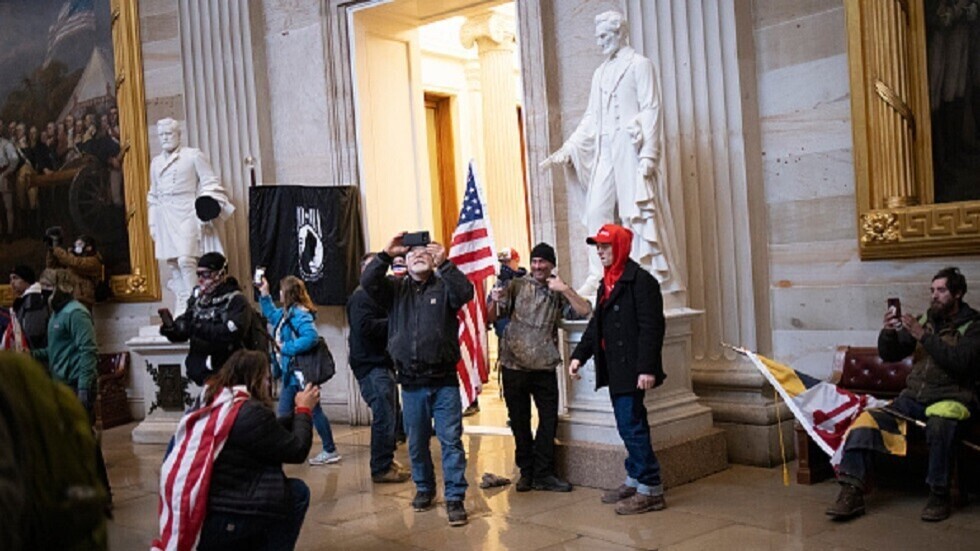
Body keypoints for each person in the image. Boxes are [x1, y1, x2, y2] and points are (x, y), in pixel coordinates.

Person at [545, 10, 682, 302]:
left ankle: (639, 274)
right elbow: (591, 117)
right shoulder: (600, 73)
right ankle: (599, 275)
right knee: (596, 210)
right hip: (605, 149)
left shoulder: (640, 65)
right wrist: (568, 147)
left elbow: (651, 109)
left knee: (635, 212)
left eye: (605, 36)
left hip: (630, 148)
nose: (600, 43)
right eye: (597, 37)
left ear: (620, 33)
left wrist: (649, 154)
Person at [827, 267, 980, 523]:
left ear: (958, 294)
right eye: (932, 290)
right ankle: (851, 491)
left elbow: (961, 362)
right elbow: (891, 353)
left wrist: (925, 338)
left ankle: (938, 494)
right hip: (913, 399)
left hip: (952, 399)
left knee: (940, 426)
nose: (934, 296)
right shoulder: (925, 320)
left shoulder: (974, 326)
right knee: (868, 420)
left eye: (941, 290)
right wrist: (888, 332)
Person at [361, 231, 475, 526]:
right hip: (410, 383)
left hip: (444, 382)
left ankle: (454, 498)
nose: (418, 256)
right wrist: (385, 254)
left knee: (450, 441)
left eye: (425, 252)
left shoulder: (444, 286)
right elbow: (368, 282)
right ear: (405, 263)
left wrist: (446, 264)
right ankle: (424, 489)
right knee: (416, 442)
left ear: (433, 259)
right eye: (412, 254)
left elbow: (465, 293)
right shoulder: (395, 290)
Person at [154, 350, 317, 551]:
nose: (269, 384)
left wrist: (296, 414)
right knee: (297, 493)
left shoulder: (214, 403)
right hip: (221, 517)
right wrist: (304, 411)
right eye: (267, 378)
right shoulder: (250, 412)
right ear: (254, 379)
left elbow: (265, 432)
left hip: (199, 509)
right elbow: (298, 450)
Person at [568, 224, 667, 515]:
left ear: (621, 246)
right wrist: (579, 356)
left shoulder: (642, 281)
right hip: (615, 369)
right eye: (597, 247)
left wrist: (647, 368)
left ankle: (651, 489)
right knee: (629, 426)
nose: (600, 252)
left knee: (631, 427)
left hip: (634, 370)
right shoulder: (607, 282)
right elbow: (596, 326)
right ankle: (635, 479)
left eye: (606, 246)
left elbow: (652, 329)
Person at [489, 242, 592, 493]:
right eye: (534, 261)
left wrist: (565, 289)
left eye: (542, 262)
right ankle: (526, 472)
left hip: (544, 367)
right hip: (513, 366)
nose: (537, 266)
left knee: (548, 421)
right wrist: (493, 300)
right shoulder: (515, 285)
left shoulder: (557, 290)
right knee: (520, 422)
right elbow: (492, 316)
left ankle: (544, 473)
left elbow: (585, 311)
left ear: (551, 264)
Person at [30, 269, 112, 509]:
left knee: (84, 440)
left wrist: (85, 387)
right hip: (60, 385)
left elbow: (88, 350)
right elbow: (57, 350)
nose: (44, 292)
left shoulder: (75, 312)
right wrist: (31, 355)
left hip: (76, 385)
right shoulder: (56, 314)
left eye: (47, 287)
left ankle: (102, 493)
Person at [147, 117, 234, 315]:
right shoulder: (156, 163)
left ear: (178, 134)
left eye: (169, 134)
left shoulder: (193, 155)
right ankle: (183, 301)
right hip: (164, 213)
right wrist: (152, 223)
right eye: (161, 135)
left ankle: (196, 302)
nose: (165, 138)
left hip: (186, 211)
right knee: (173, 262)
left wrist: (207, 203)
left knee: (187, 259)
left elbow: (209, 181)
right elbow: (153, 194)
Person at [259, 274, 341, 466]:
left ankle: (329, 449)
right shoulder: (287, 313)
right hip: (291, 372)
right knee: (285, 411)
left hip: (300, 371)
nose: (279, 293)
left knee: (313, 410)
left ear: (288, 293)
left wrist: (286, 347)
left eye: (281, 290)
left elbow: (310, 337)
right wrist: (264, 294)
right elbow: (271, 314)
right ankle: (285, 447)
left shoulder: (299, 314)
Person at [347, 253, 409, 483]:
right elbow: (365, 327)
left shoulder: (381, 295)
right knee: (384, 414)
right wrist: (397, 321)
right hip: (370, 365)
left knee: (390, 413)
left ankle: (386, 459)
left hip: (382, 363)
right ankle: (381, 466)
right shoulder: (361, 297)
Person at [160, 252, 251, 386]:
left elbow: (232, 332)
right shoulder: (198, 300)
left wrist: (198, 327)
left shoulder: (235, 300)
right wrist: (172, 329)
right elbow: (186, 323)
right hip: (202, 372)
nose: (201, 280)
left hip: (228, 372)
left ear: (221, 274)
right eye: (199, 274)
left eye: (206, 274)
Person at [46, 233, 104, 310]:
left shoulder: (94, 261)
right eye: (76, 244)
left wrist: (57, 250)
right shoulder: (71, 260)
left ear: (89, 247)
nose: (77, 246)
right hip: (68, 299)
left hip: (83, 300)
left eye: (80, 244)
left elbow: (75, 263)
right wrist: (51, 252)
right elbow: (52, 266)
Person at [9, 265, 49, 351]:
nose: (12, 282)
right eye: (11, 279)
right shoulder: (24, 300)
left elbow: (33, 333)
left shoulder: (34, 301)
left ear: (26, 280)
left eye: (15, 278)